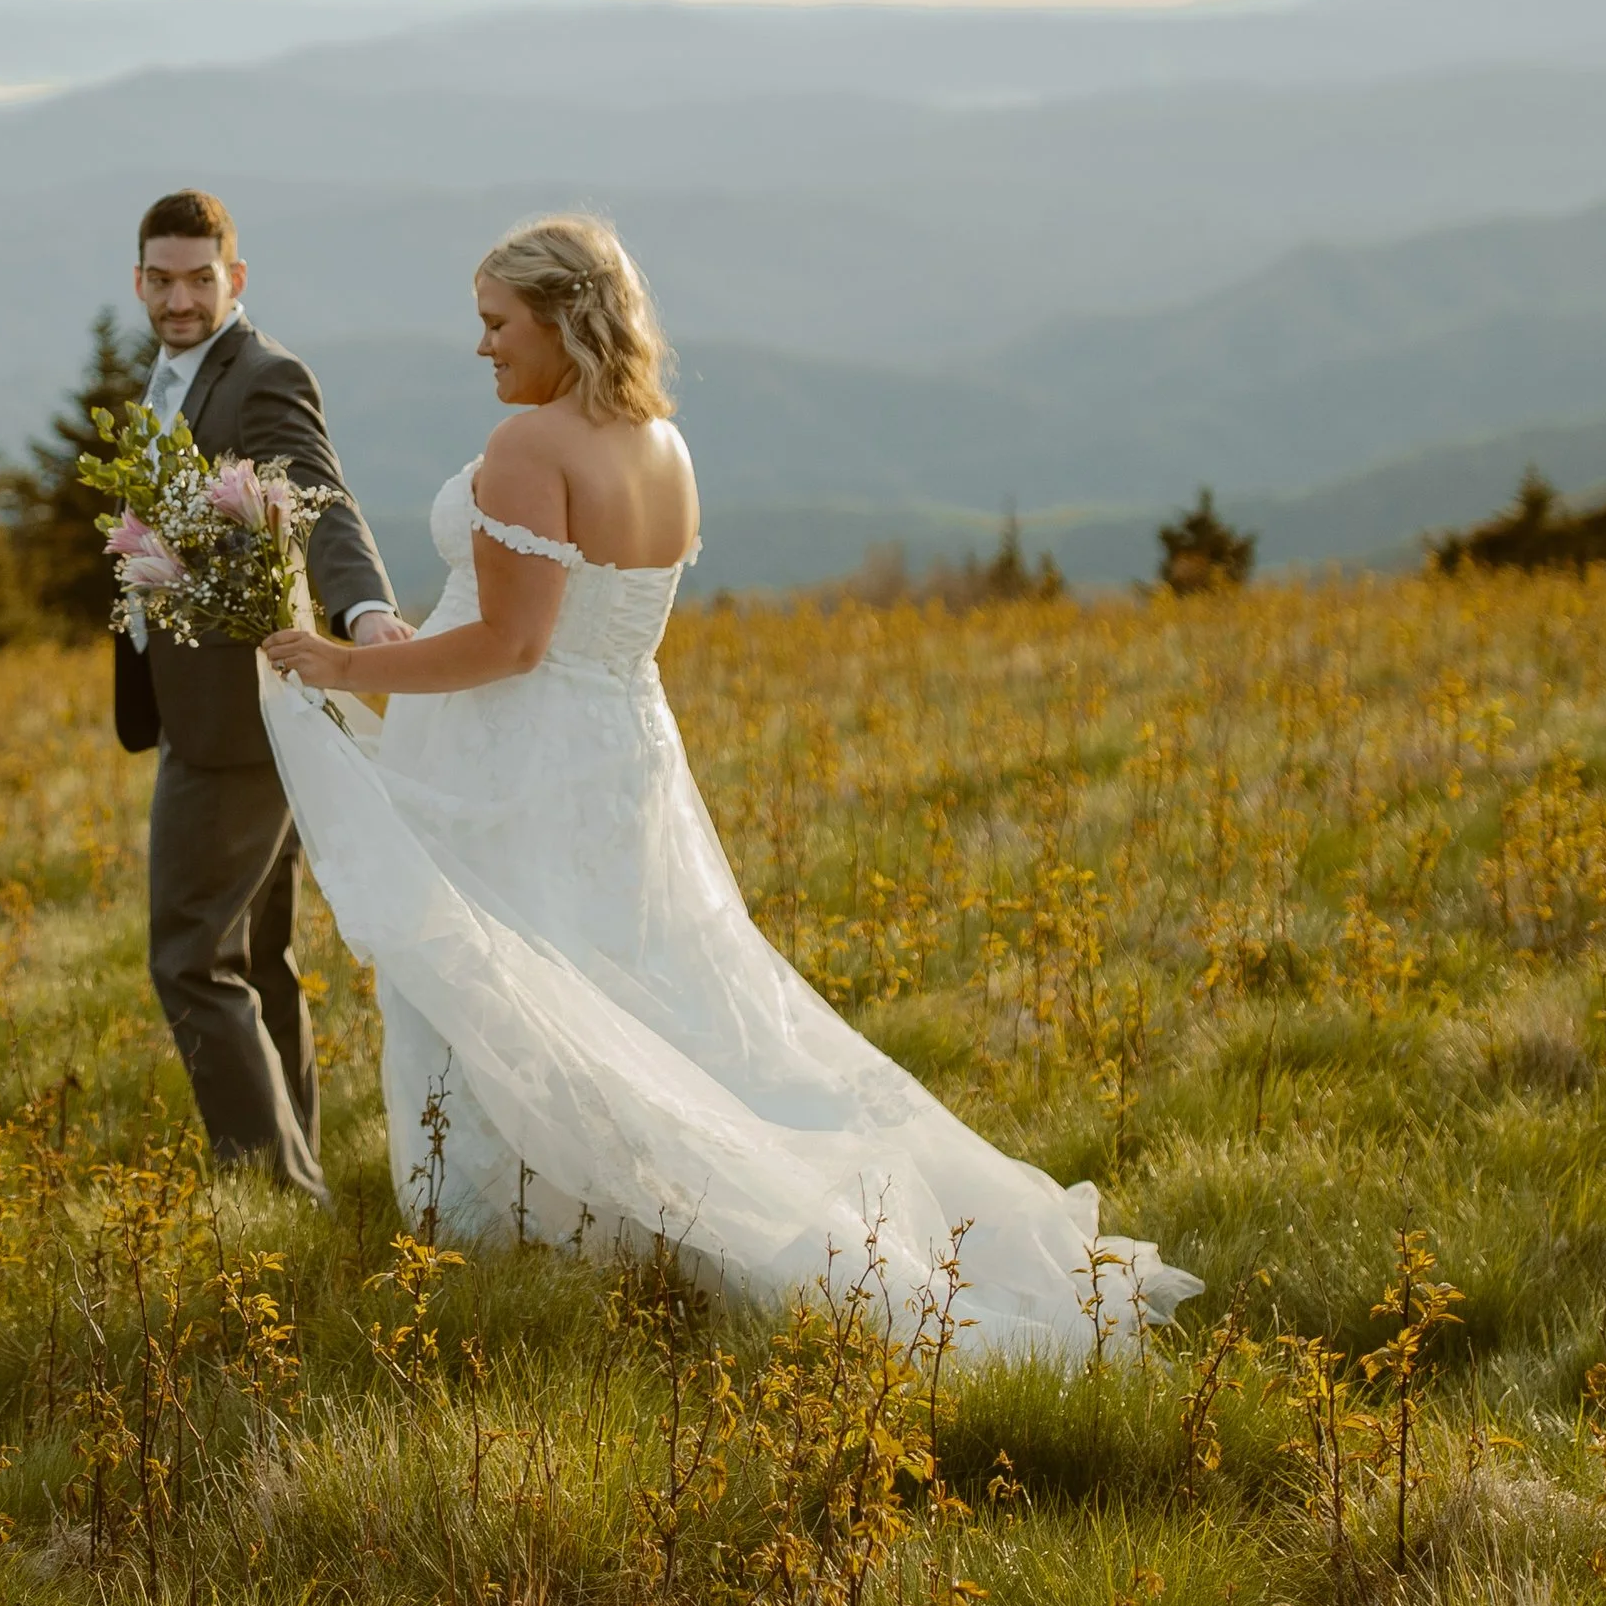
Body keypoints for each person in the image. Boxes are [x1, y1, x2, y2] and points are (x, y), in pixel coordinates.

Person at [262, 213, 1198, 1357]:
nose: (482, 347)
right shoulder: (663, 444)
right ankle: (618, 1239)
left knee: (498, 993)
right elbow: (569, 632)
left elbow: (513, 644)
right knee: (638, 1001)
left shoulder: (527, 448)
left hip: (519, 769)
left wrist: (344, 666)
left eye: (497, 323)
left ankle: (506, 1252)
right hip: (617, 760)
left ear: (561, 319)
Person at [115, 190, 410, 1204]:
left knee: (191, 958)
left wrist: (365, 611)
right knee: (258, 956)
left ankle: (274, 1193)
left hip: (236, 720)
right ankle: (301, 1178)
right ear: (138, 281)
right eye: (162, 280)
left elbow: (318, 496)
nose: (180, 299)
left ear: (235, 278)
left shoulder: (261, 376)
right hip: (211, 704)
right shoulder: (169, 375)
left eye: (200, 279)